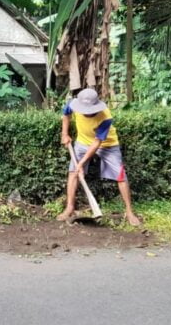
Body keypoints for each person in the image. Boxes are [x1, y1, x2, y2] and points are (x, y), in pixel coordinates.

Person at [58, 88, 142, 226]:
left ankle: (129, 211)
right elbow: (66, 115)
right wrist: (65, 134)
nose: (87, 113)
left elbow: (97, 143)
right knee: (73, 173)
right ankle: (70, 208)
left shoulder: (105, 116)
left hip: (108, 145)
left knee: (120, 176)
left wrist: (81, 163)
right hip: (82, 142)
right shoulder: (73, 104)